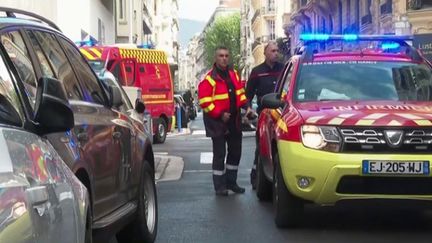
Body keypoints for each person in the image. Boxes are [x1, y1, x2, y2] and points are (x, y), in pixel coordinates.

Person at [198, 46, 252, 196]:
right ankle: (220, 186)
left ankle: (231, 183)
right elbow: (204, 102)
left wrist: (247, 107)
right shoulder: (209, 78)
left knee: (235, 152)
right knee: (220, 154)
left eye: (227, 55)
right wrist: (220, 114)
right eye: (221, 55)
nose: (224, 58)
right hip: (217, 123)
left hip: (234, 120)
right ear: (216, 58)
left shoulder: (233, 74)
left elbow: (240, 93)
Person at [246, 41, 284, 190]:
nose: (276, 53)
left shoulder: (283, 69)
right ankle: (256, 178)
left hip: (281, 114)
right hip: (264, 115)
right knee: (261, 147)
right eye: (272, 51)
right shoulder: (257, 71)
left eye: (277, 51)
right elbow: (248, 95)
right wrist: (248, 109)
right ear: (265, 53)